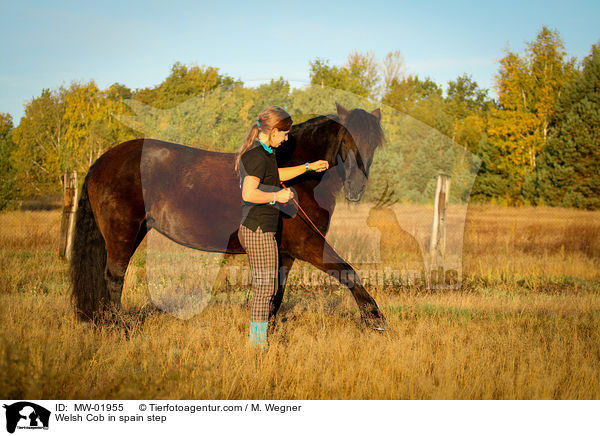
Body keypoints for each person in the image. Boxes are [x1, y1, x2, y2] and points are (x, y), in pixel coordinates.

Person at [235, 106, 329, 349]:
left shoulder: (265, 153)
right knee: (266, 288)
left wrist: (308, 167)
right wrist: (278, 197)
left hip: (263, 228)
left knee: (268, 286)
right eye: (285, 133)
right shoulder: (257, 155)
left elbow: (275, 175)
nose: (287, 138)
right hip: (257, 230)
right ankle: (257, 345)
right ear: (274, 130)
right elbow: (249, 193)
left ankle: (259, 340)